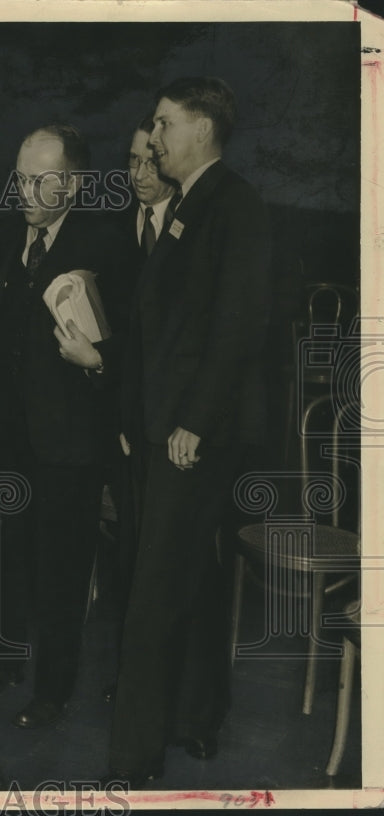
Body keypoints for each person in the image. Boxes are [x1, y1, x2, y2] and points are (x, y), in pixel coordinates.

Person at [108, 77, 272, 785]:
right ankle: (197, 718)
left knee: (151, 594)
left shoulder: (236, 207)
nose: (156, 137)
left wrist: (192, 423)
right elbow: (164, 327)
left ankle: (132, 766)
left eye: (166, 124)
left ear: (203, 128)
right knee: (190, 580)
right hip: (159, 427)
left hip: (189, 434)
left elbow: (235, 330)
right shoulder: (188, 205)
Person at [0, 125, 126, 728]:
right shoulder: (2, 234)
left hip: (68, 441)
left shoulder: (106, 244)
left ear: (75, 183)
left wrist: (103, 364)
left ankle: (53, 691)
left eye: (39, 180)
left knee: (60, 570)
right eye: (19, 177)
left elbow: (130, 340)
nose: (23, 190)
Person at [101, 116, 179, 704]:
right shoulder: (113, 229)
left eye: (151, 160)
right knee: (122, 552)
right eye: (131, 161)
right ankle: (121, 682)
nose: (140, 173)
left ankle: (159, 689)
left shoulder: (190, 231)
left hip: (168, 428)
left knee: (162, 563)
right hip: (114, 418)